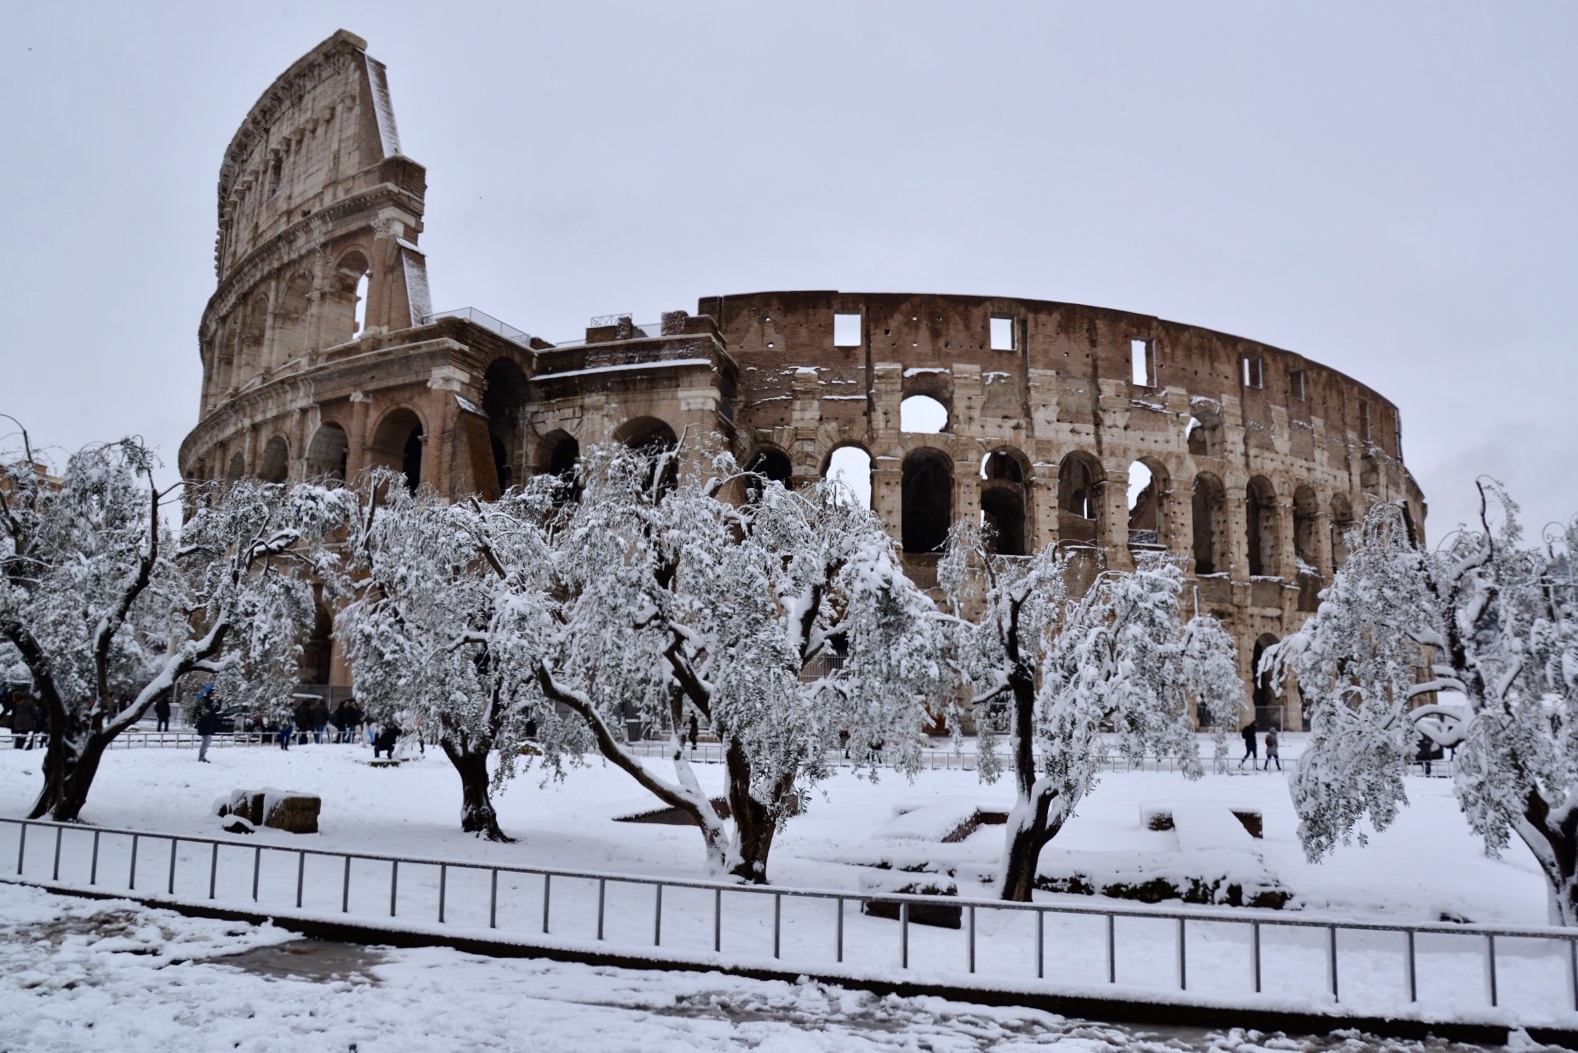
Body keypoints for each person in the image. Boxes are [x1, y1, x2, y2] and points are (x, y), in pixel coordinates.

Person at [194, 687, 220, 763]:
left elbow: (216, 710)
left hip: (208, 724)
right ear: (209, 694)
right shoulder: (204, 702)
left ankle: (202, 756)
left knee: (208, 741)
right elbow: (204, 711)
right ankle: (201, 757)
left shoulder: (212, 702)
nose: (214, 695)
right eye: (213, 694)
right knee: (206, 741)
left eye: (214, 694)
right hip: (204, 724)